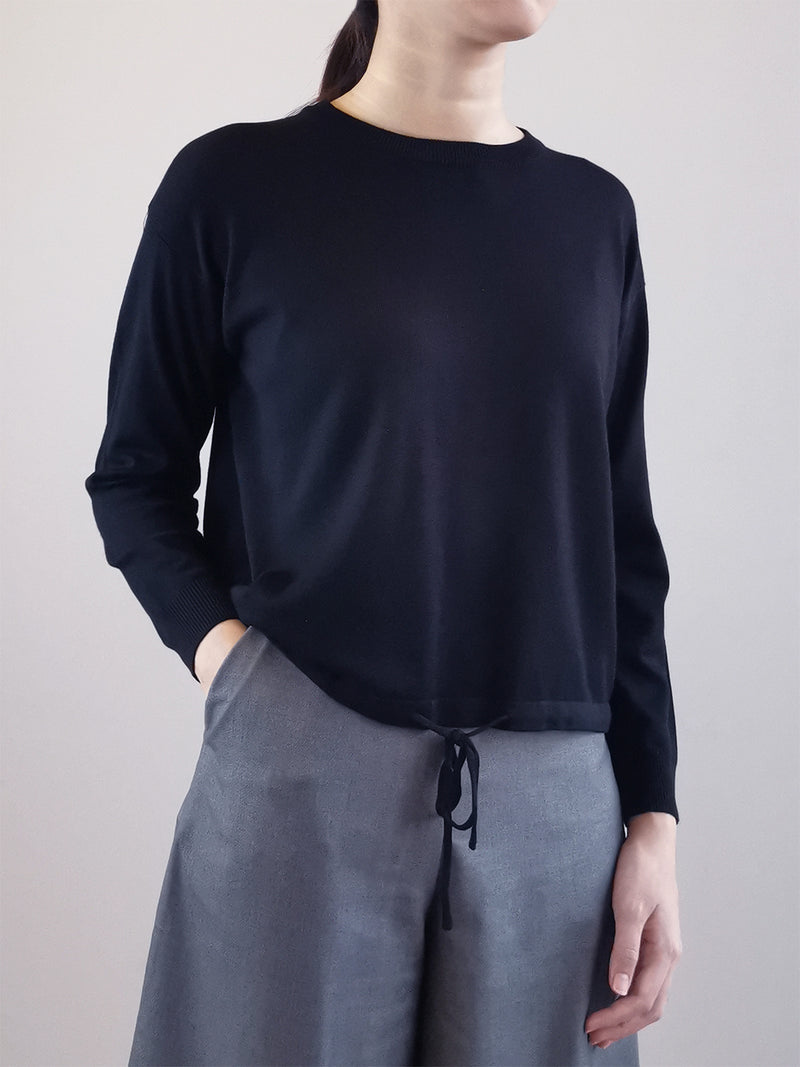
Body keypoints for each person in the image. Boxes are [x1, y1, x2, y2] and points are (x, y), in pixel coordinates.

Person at [85, 0, 683, 1063]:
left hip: (554, 801)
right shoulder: (233, 187)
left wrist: (653, 817)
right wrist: (240, 675)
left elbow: (621, 545)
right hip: (302, 766)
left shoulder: (595, 216)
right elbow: (135, 476)